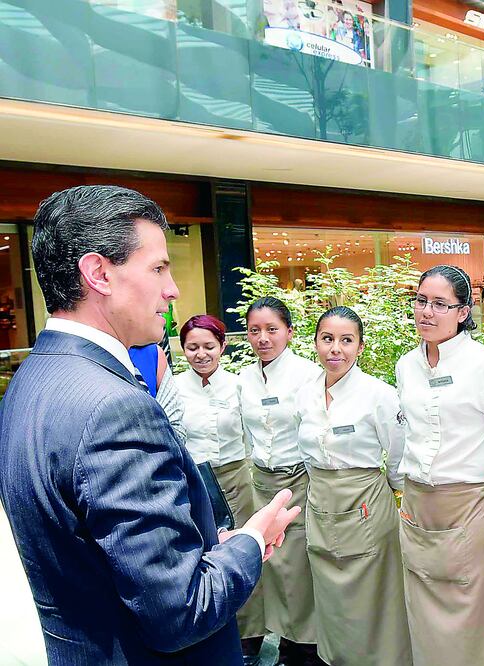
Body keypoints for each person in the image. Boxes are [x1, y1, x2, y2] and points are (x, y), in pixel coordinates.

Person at [0, 185, 299, 664]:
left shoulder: (30, 378)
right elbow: (179, 611)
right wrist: (250, 541)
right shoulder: (114, 407)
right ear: (99, 273)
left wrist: (202, 550)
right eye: (158, 268)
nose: (172, 289)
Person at [396, 265, 484, 666]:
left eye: (440, 304)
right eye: (421, 301)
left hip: (470, 509)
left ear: (463, 312)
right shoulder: (405, 365)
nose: (426, 312)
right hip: (417, 505)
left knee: (478, 618)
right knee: (424, 614)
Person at [295, 306, 412, 666]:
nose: (336, 349)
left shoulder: (378, 395)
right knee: (331, 596)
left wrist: (393, 492)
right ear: (315, 342)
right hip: (320, 500)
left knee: (374, 595)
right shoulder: (305, 394)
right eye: (327, 339)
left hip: (366, 503)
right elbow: (305, 452)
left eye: (346, 340)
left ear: (360, 347)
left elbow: (398, 454)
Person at [174, 314, 267, 665]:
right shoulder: (173, 388)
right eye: (192, 347)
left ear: (223, 346)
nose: (201, 354)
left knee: (245, 550)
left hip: (237, 478)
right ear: (183, 349)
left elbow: (254, 432)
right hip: (195, 482)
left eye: (209, 346)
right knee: (204, 555)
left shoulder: (238, 385)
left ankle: (251, 633)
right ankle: (210, 631)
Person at [239, 297, 323, 666]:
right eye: (254, 330)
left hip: (298, 480)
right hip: (262, 481)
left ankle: (307, 647)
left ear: (289, 331)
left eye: (272, 329)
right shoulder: (244, 379)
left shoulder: (308, 374)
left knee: (300, 567)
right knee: (272, 566)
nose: (263, 338)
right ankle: (287, 641)